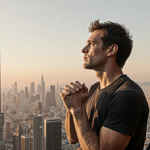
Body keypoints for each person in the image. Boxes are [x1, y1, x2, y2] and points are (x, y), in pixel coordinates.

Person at [60, 20, 149, 150]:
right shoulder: (95, 88)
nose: (83, 49)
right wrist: (72, 108)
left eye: (92, 44)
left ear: (111, 50)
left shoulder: (127, 96)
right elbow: (74, 138)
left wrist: (78, 110)